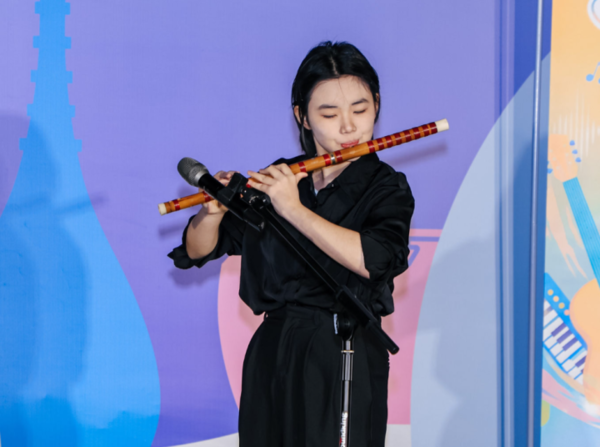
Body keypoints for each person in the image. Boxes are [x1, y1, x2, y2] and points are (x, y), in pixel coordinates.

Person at [169, 41, 414, 447]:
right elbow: (198, 249)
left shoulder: (386, 187)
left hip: (343, 348)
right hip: (275, 348)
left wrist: (293, 209)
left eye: (360, 110)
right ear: (302, 116)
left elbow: (374, 259)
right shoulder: (282, 179)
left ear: (377, 104)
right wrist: (212, 213)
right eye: (329, 114)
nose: (348, 127)